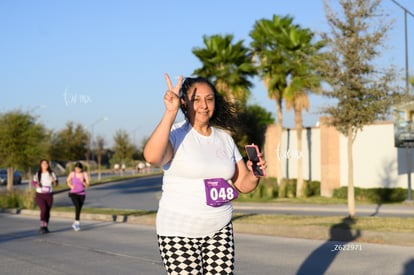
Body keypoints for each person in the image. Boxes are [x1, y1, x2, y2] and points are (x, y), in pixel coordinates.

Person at [143, 73, 266, 274]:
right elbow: (152, 157)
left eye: (209, 99)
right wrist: (170, 113)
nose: (204, 105)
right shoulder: (175, 135)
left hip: (219, 229)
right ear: (184, 102)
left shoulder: (224, 139)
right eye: (196, 99)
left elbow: (243, 183)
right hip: (178, 231)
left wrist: (254, 174)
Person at [33, 159, 58, 234]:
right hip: (40, 195)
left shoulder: (51, 173)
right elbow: (34, 182)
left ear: (48, 165)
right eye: (43, 164)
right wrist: (36, 185)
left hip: (49, 195)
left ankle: (46, 226)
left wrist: (54, 182)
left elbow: (55, 184)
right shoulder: (38, 173)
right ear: (41, 165)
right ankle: (42, 226)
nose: (45, 165)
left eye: (46, 163)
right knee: (43, 209)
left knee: (47, 211)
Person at [66, 162, 90, 231]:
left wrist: (83, 182)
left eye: (79, 168)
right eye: (76, 168)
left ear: (81, 168)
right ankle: (77, 223)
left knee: (79, 208)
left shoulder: (84, 174)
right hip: (73, 193)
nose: (77, 170)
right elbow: (67, 181)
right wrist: (71, 186)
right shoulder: (72, 173)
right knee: (77, 206)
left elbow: (88, 185)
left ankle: (75, 223)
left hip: (82, 194)